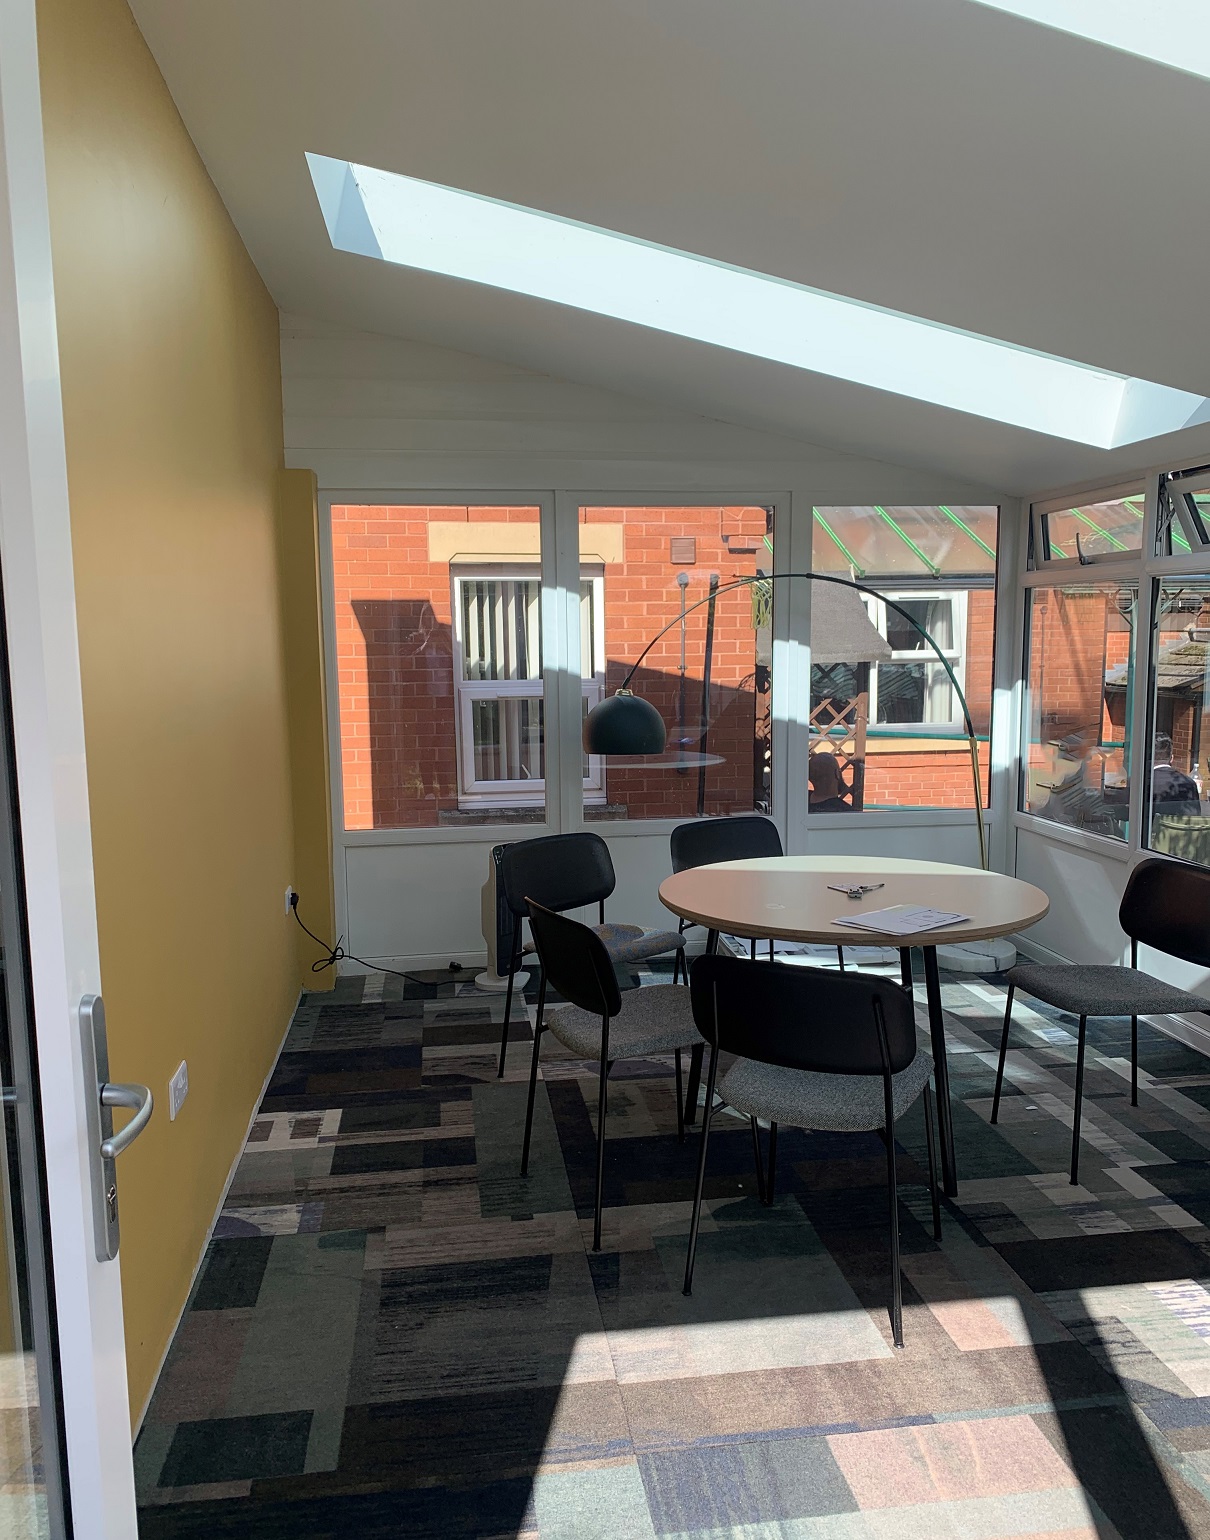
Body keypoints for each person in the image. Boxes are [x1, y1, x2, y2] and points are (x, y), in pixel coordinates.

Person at [1152, 732, 1201, 818]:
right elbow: (1195, 820)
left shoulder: (1142, 782)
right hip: (1181, 831)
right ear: (1172, 759)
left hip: (1149, 831)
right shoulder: (1190, 784)